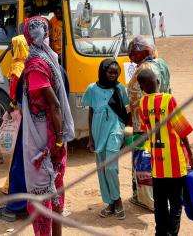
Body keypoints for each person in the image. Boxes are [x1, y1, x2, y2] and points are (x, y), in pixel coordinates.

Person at [22, 16, 75, 236]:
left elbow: (53, 104)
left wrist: (59, 139)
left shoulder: (36, 64)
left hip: (44, 136)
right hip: (51, 133)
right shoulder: (50, 57)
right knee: (56, 191)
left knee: (42, 193)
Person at [137, 68, 193, 236]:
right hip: (175, 162)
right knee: (176, 205)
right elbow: (182, 130)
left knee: (160, 204)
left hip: (157, 163)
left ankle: (160, 233)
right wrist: (191, 157)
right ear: (158, 81)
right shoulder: (168, 99)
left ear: (142, 87)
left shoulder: (142, 103)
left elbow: (145, 128)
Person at [126, 35, 171, 211]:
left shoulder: (144, 68)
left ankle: (145, 199)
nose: (131, 58)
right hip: (161, 122)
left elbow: (137, 97)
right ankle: (159, 196)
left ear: (144, 51)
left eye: (133, 54)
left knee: (142, 161)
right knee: (159, 160)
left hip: (143, 124)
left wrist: (127, 110)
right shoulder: (162, 64)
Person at [82, 59, 130, 220]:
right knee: (102, 169)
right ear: (102, 72)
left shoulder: (120, 89)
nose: (113, 75)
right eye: (110, 72)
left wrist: (124, 131)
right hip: (98, 131)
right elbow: (90, 112)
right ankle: (110, 202)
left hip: (115, 129)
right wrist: (90, 138)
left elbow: (127, 111)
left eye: (116, 72)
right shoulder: (92, 89)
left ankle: (118, 200)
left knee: (110, 167)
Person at [0, 34, 29, 194]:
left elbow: (14, 92)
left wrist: (10, 107)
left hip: (18, 110)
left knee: (16, 147)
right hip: (25, 110)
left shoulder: (17, 66)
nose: (10, 50)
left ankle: (11, 185)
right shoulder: (26, 63)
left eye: (12, 46)